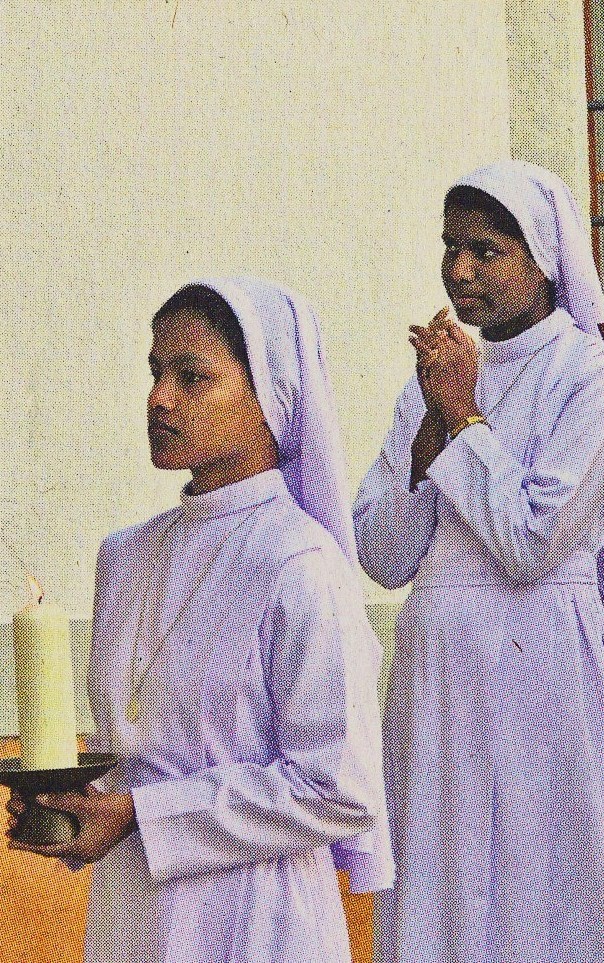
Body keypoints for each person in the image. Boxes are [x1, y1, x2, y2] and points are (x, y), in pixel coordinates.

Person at [6, 277, 393, 962]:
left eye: (193, 377)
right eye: (156, 372)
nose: (159, 397)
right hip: (134, 908)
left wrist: (138, 815)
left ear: (270, 397)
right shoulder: (125, 555)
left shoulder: (299, 562)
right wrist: (78, 805)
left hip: (256, 916)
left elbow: (340, 788)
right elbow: (144, 750)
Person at [354, 160, 604, 963]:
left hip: (541, 662)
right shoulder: (433, 377)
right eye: (451, 247)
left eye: (485, 251)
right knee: (440, 891)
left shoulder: (590, 372)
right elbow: (383, 556)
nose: (459, 270)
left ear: (543, 258)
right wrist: (430, 425)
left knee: (541, 890)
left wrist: (460, 414)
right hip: (436, 679)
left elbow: (531, 542)